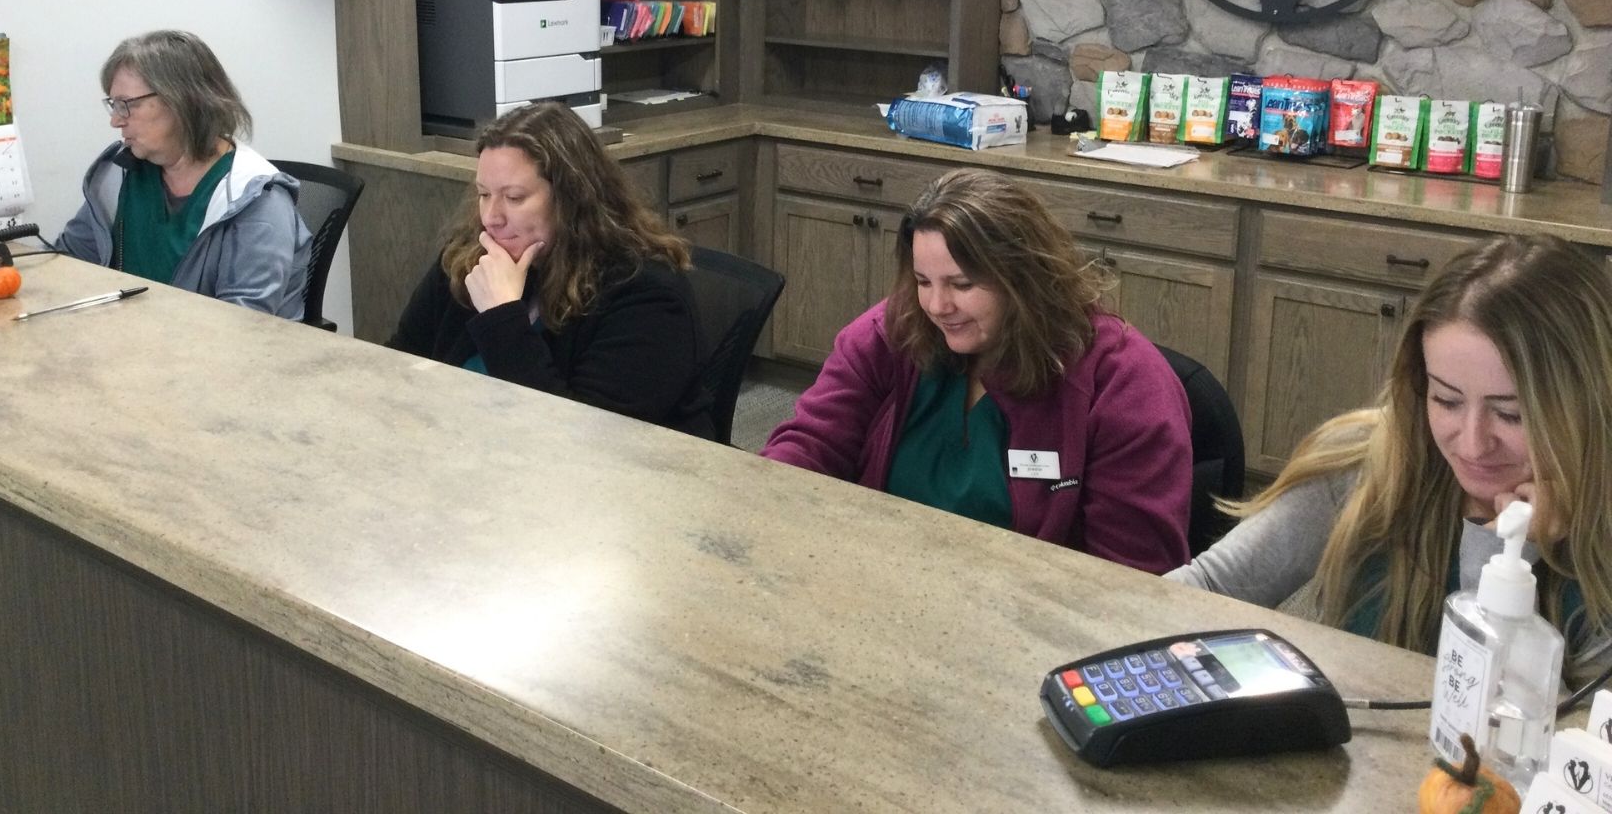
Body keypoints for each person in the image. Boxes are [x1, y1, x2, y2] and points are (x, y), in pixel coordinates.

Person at [1167, 235, 1612, 689]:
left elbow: (1560, 738)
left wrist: (1505, 554)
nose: (1474, 445)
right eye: (1446, 400)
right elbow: (1203, 590)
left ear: (1586, 404)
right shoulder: (1368, 464)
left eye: (1511, 414)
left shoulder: (1601, 532)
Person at [761, 168, 1193, 574]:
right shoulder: (894, 332)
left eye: (962, 285)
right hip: (877, 577)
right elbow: (811, 445)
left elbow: (1131, 578)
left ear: (1024, 278)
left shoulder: (1123, 381)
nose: (937, 306)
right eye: (923, 281)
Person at [388, 102, 704, 433]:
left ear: (571, 199)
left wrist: (502, 317)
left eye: (514, 198)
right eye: (484, 194)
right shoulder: (470, 260)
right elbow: (399, 363)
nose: (491, 217)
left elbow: (583, 438)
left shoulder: (647, 294)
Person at [58, 30, 309, 318]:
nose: (116, 120)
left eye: (127, 105)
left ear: (183, 102)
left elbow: (242, 326)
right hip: (135, 347)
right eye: (114, 105)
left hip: (225, 357)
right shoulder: (121, 176)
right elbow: (67, 264)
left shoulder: (258, 200)